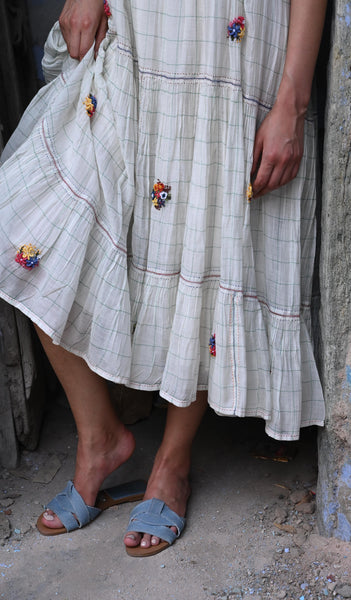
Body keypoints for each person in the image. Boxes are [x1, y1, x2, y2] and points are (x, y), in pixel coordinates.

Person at [0, 0, 327, 556]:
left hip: (236, 46)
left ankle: (172, 462)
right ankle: (99, 436)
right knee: (21, 229)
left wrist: (291, 104)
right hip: (140, 27)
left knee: (208, 242)